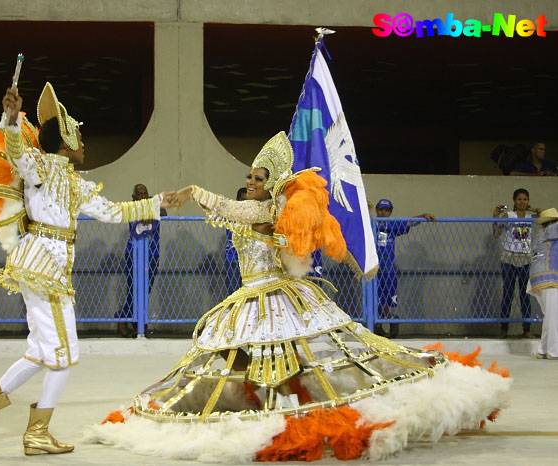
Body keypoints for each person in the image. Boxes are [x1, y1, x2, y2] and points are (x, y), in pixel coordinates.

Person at [88, 132, 510, 462]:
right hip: (248, 300)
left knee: (293, 361)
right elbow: (231, 214)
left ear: (271, 186)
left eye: (258, 178)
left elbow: (234, 211)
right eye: (249, 177)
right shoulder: (265, 210)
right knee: (238, 361)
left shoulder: (269, 211)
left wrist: (195, 190)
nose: (250, 182)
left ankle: (288, 419)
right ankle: (265, 413)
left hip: (278, 299)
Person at [0, 83, 174, 455]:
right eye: (80, 136)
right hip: (42, 268)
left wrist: (158, 203)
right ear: (67, 139)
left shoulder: (76, 183)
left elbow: (114, 212)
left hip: (48, 271)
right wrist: (9, 119)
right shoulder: (40, 167)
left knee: (41, 352)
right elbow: (18, 152)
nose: (84, 143)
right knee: (65, 355)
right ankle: (36, 434)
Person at [373, 199, 436, 337]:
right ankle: (381, 324)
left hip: (388, 269)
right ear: (376, 210)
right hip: (372, 270)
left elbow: (410, 222)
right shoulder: (370, 225)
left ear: (390, 212)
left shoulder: (392, 225)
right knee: (374, 299)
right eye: (381, 209)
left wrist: (423, 215)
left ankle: (386, 321)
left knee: (386, 299)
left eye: (386, 210)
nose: (383, 213)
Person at [116, 183, 167, 338]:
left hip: (152, 255)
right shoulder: (131, 208)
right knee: (134, 290)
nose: (143, 196)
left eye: (145, 193)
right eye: (139, 194)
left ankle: (133, 320)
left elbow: (164, 212)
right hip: (134, 255)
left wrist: (151, 207)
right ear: (133, 197)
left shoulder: (152, 203)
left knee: (146, 290)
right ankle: (131, 321)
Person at [492, 189, 541, 339]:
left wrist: (533, 209)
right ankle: (503, 329)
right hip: (509, 257)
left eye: (525, 199)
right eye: (519, 199)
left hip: (525, 258)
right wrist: (495, 217)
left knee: (525, 294)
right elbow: (496, 234)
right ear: (514, 200)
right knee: (508, 293)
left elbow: (550, 214)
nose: (522, 202)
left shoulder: (530, 217)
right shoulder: (509, 216)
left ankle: (526, 328)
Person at [527, 208, 558, 359]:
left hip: (536, 278)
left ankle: (542, 350)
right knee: (553, 316)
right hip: (548, 278)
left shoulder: (540, 234)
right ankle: (553, 352)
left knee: (549, 315)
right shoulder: (553, 230)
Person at [224, 187, 248, 296]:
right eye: (242, 200)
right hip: (233, 260)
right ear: (237, 200)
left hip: (249, 262)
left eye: (247, 201)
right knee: (233, 293)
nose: (245, 204)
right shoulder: (231, 216)